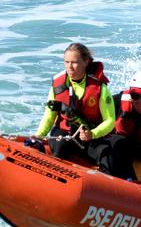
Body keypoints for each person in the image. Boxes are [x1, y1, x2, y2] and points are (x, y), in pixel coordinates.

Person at [31, 43, 118, 173]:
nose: (69, 67)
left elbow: (110, 121)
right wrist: (39, 136)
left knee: (106, 156)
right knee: (60, 147)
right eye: (66, 62)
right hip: (64, 133)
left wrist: (92, 134)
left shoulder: (100, 88)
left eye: (75, 62)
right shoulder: (57, 85)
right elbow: (49, 116)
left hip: (90, 136)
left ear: (86, 62)